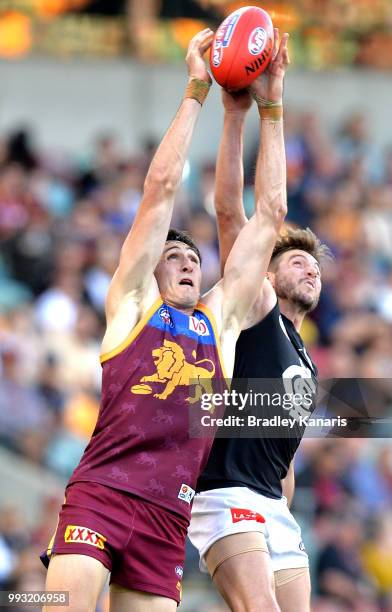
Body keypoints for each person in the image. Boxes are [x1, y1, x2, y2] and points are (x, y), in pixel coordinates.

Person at [40, 28, 288, 612]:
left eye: (193, 259)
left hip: (166, 519)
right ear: (150, 272)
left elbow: (270, 215)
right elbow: (161, 188)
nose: (185, 263)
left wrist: (271, 104)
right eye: (172, 256)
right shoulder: (131, 307)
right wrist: (196, 90)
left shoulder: (217, 326)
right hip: (101, 495)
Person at [188, 37, 330, 612]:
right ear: (264, 276)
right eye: (295, 258)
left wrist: (284, 500)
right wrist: (239, 115)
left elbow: (283, 455)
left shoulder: (304, 355)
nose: (309, 265)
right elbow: (231, 213)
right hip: (226, 495)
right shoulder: (256, 307)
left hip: (272, 503)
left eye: (315, 263)